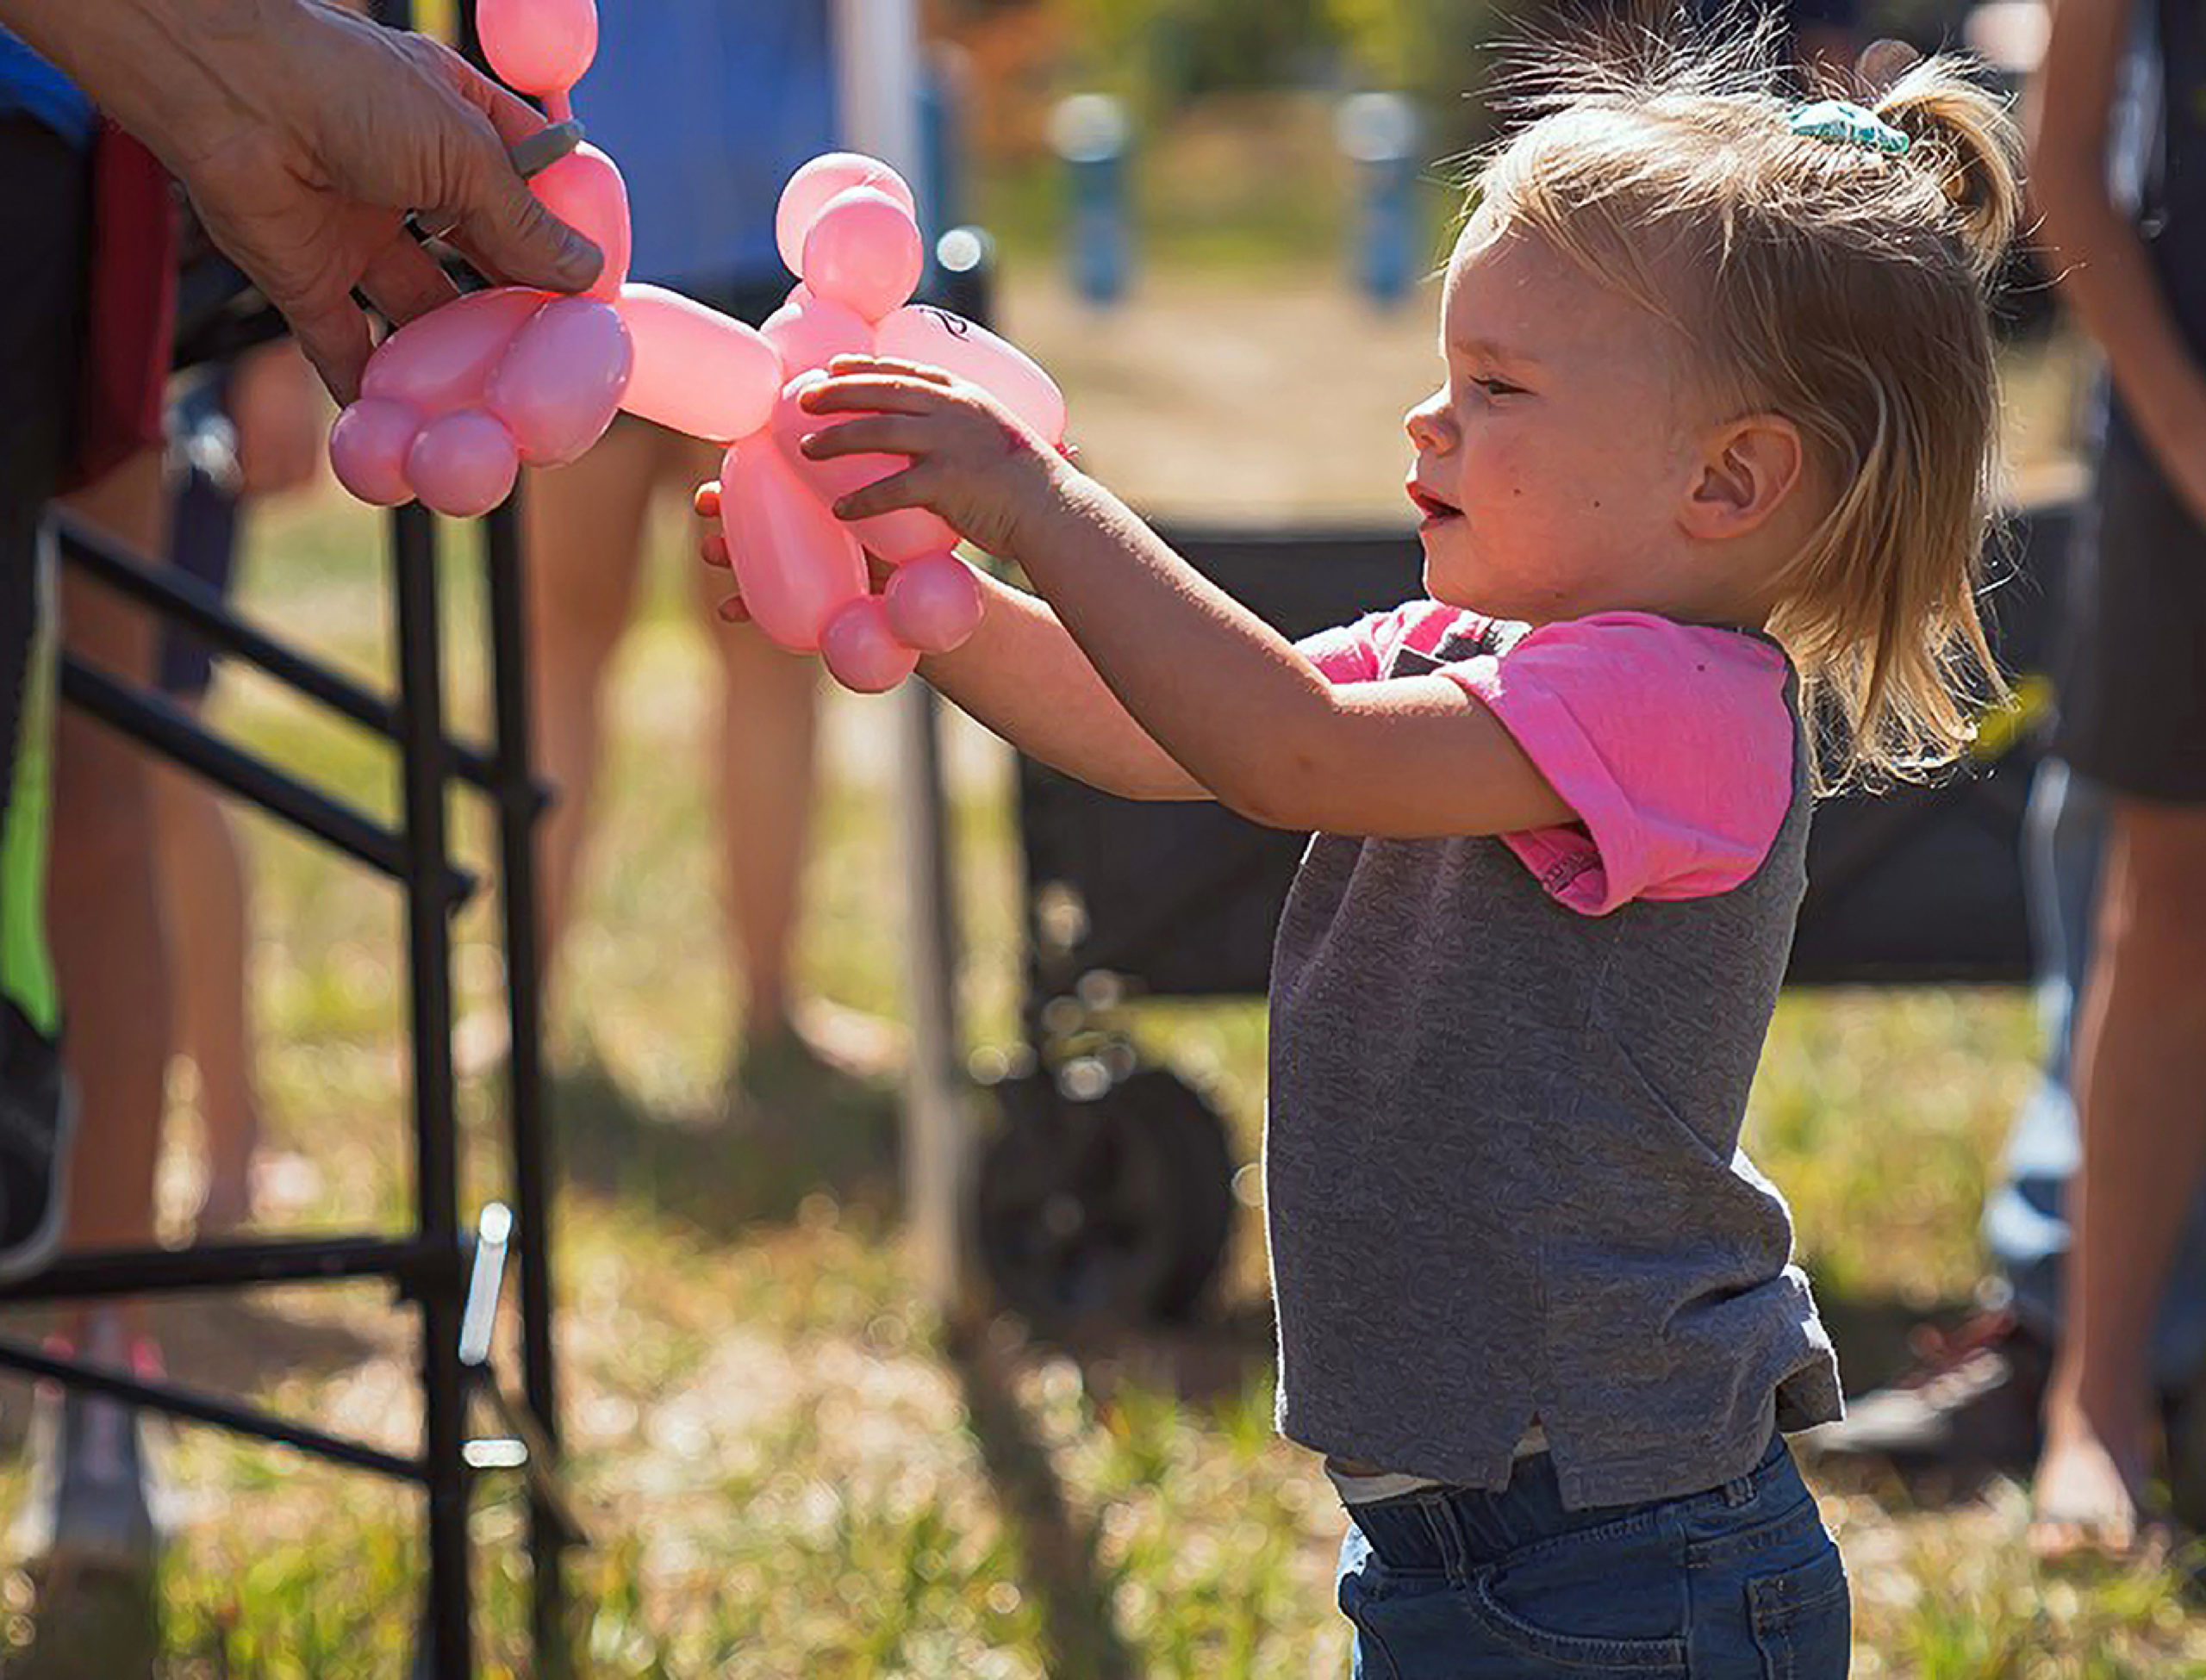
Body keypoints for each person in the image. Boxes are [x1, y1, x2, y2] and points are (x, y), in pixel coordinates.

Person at [700, 31, 2021, 1671]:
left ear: (1729, 478)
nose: (1430, 415)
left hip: (1625, 1552)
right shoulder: (1472, 646)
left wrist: (1034, 499)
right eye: (1446, 365)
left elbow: (1279, 749)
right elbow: (1156, 729)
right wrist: (911, 592)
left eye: (1499, 386)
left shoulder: (1685, 706)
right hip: (1470, 1534)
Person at [526, 0, 891, 1127]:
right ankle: (521, 1002)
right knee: (563, 643)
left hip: (778, 271)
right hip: (567, 247)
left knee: (769, 641)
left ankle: (771, 1001)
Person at [2011, 0, 2206, 1557]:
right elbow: (2061, 158)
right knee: (2167, 906)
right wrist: (2194, 441)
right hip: (2181, 426)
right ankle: (2097, 1396)